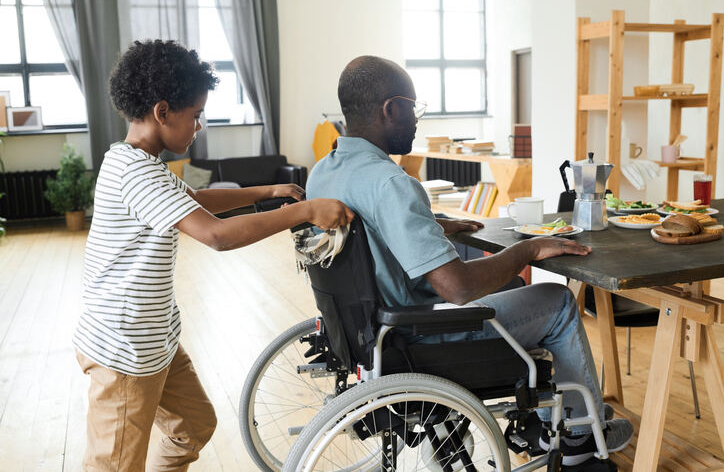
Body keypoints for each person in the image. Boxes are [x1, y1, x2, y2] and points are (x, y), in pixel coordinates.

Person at [305, 55, 633, 466]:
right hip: (420, 336)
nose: (416, 120)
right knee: (558, 301)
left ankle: (556, 412)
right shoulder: (391, 182)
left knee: (511, 288)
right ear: (391, 109)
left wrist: (431, 225)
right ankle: (582, 438)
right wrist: (527, 251)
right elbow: (456, 288)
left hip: (369, 336)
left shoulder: (322, 173)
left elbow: (371, 235)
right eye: (413, 108)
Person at [72, 40, 353, 471]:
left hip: (156, 342)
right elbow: (216, 235)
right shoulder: (135, 173)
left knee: (194, 426)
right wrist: (305, 210)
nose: (199, 126)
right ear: (162, 111)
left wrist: (270, 191)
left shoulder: (140, 163)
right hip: (124, 352)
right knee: (113, 465)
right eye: (196, 115)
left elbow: (196, 199)